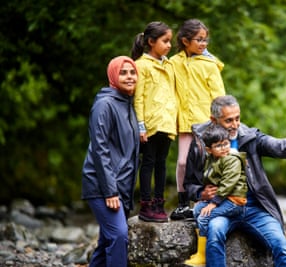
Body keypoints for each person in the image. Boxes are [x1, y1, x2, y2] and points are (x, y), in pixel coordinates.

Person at [183, 95, 286, 267]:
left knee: (280, 244)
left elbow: (277, 145)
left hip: (254, 209)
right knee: (214, 233)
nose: (235, 125)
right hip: (222, 208)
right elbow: (189, 184)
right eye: (229, 120)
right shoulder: (201, 144)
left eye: (237, 118)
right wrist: (201, 193)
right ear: (213, 120)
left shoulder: (249, 136)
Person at [81, 56, 139, 267]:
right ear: (113, 76)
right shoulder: (104, 104)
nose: (130, 77)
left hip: (120, 186)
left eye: (132, 72)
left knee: (107, 240)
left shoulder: (127, 103)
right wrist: (110, 190)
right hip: (102, 185)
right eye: (123, 73)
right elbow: (100, 149)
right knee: (118, 236)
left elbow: (124, 150)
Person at [170, 18, 226, 220]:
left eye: (205, 40)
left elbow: (219, 95)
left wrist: (219, 121)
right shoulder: (173, 63)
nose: (204, 44)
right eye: (199, 40)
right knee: (184, 163)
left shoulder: (209, 64)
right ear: (185, 41)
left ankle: (206, 201)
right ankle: (183, 202)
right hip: (184, 123)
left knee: (205, 163)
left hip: (206, 124)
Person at [131, 21, 176, 222]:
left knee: (161, 164)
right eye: (165, 41)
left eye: (170, 41)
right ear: (151, 42)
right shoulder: (141, 65)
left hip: (167, 123)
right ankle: (146, 204)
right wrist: (140, 125)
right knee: (148, 163)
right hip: (150, 124)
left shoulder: (169, 65)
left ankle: (159, 203)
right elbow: (138, 98)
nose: (169, 45)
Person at [184, 124, 248, 266]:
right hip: (223, 198)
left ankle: (203, 255)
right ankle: (199, 250)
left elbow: (228, 183)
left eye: (226, 143)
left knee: (204, 217)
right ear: (209, 150)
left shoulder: (232, 159)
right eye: (218, 146)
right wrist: (204, 193)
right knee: (197, 210)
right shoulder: (211, 159)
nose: (224, 148)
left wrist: (214, 203)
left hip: (234, 201)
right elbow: (209, 177)